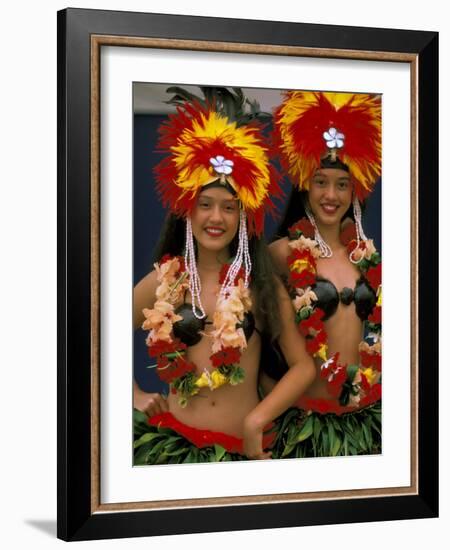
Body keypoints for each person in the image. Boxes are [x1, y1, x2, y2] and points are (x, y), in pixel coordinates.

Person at [133, 89, 316, 464]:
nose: (216, 218)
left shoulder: (260, 287)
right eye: (205, 205)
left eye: (229, 208)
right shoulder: (164, 282)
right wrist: (132, 395)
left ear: (243, 218)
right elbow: (92, 335)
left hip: (240, 453)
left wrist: (257, 420)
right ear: (187, 210)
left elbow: (303, 366)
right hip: (172, 447)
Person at [265, 91, 382, 458]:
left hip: (366, 420)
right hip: (303, 426)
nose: (331, 194)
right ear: (305, 185)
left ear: (355, 190)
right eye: (321, 181)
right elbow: (250, 340)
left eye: (342, 184)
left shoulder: (367, 257)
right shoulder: (282, 254)